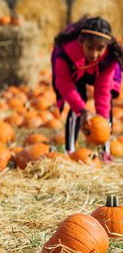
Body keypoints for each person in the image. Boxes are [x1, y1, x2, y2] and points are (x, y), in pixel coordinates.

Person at [51, 16, 122, 162]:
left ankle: (105, 151)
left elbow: (102, 90)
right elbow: (65, 86)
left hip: (98, 70)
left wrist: (101, 118)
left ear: (106, 47)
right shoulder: (64, 54)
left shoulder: (109, 58)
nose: (94, 54)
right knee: (78, 103)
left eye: (100, 48)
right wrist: (83, 110)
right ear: (81, 41)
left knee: (106, 108)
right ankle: (70, 150)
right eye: (90, 47)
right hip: (75, 70)